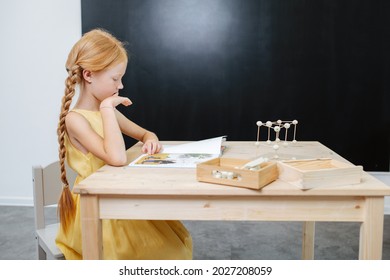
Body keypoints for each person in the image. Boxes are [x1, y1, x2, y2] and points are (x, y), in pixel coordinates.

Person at [55, 29, 193, 260]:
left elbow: (146, 133)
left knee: (175, 244)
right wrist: (108, 108)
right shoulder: (75, 120)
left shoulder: (104, 112)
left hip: (116, 196)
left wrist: (150, 141)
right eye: (115, 78)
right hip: (96, 208)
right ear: (89, 75)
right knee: (166, 253)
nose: (120, 86)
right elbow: (116, 158)